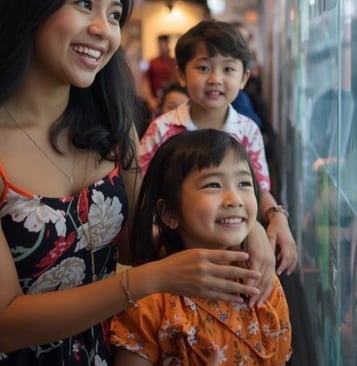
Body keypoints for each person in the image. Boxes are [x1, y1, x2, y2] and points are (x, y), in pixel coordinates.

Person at [0, 2, 276, 365]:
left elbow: (144, 241)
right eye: (85, 4)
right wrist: (147, 280)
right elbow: (6, 323)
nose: (103, 29)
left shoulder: (113, 130)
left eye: (115, 14)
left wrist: (247, 228)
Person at [110, 129, 292, 365]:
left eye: (244, 183)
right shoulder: (149, 300)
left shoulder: (262, 282)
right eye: (213, 185)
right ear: (169, 213)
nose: (234, 198)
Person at [139, 20, 298, 275]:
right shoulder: (162, 129)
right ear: (181, 74)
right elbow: (141, 188)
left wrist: (277, 217)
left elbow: (260, 188)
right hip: (173, 251)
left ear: (244, 77)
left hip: (235, 248)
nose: (215, 79)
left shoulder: (247, 130)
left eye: (228, 69)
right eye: (203, 68)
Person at [141, 34, 177, 115]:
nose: (162, 48)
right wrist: (150, 100)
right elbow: (145, 82)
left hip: (171, 103)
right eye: (160, 45)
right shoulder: (152, 62)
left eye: (164, 44)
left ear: (168, 44)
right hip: (155, 103)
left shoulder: (174, 63)